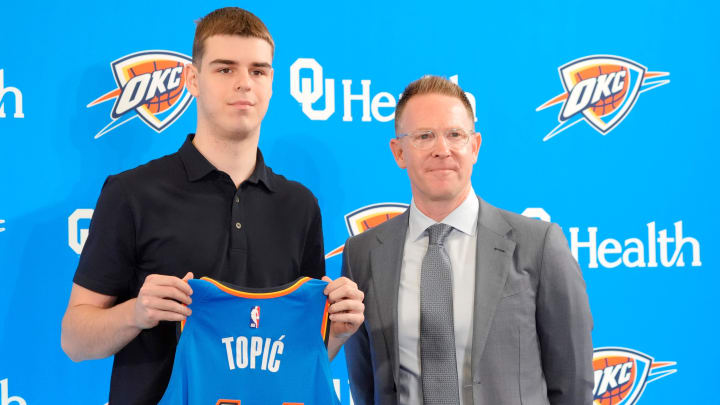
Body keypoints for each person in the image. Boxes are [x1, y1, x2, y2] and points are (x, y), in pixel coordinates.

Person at [60, 7, 364, 404]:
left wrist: (336, 333)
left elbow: (294, 358)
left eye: (258, 71)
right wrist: (136, 313)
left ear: (272, 82)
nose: (244, 84)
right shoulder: (131, 193)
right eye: (225, 69)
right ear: (192, 79)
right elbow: (75, 340)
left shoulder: (300, 205)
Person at [341, 76, 593, 405]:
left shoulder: (539, 244)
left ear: (474, 146)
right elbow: (365, 386)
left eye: (455, 135)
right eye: (424, 136)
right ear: (399, 151)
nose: (441, 150)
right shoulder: (363, 253)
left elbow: (573, 384)